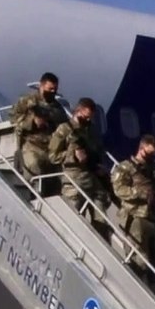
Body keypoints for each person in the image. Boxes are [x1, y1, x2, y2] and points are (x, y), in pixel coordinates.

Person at [111, 134, 155, 275]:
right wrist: (139, 193)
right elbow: (119, 190)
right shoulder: (125, 168)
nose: (152, 157)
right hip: (135, 217)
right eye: (149, 153)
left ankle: (153, 285)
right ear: (141, 149)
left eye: (154, 154)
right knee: (139, 261)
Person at [49, 98, 112, 239]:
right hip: (74, 179)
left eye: (90, 117)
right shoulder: (64, 129)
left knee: (101, 220)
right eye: (86, 116)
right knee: (74, 219)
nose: (88, 120)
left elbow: (99, 151)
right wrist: (72, 155)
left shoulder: (92, 131)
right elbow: (53, 156)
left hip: (93, 179)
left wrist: (101, 166)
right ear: (78, 111)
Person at [10, 73, 66, 197]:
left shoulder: (58, 108)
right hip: (31, 145)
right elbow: (13, 119)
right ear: (41, 86)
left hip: (50, 149)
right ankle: (32, 197)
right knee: (34, 168)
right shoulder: (27, 101)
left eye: (55, 89)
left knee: (57, 181)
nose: (53, 92)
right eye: (50, 89)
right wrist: (32, 121)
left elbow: (65, 128)